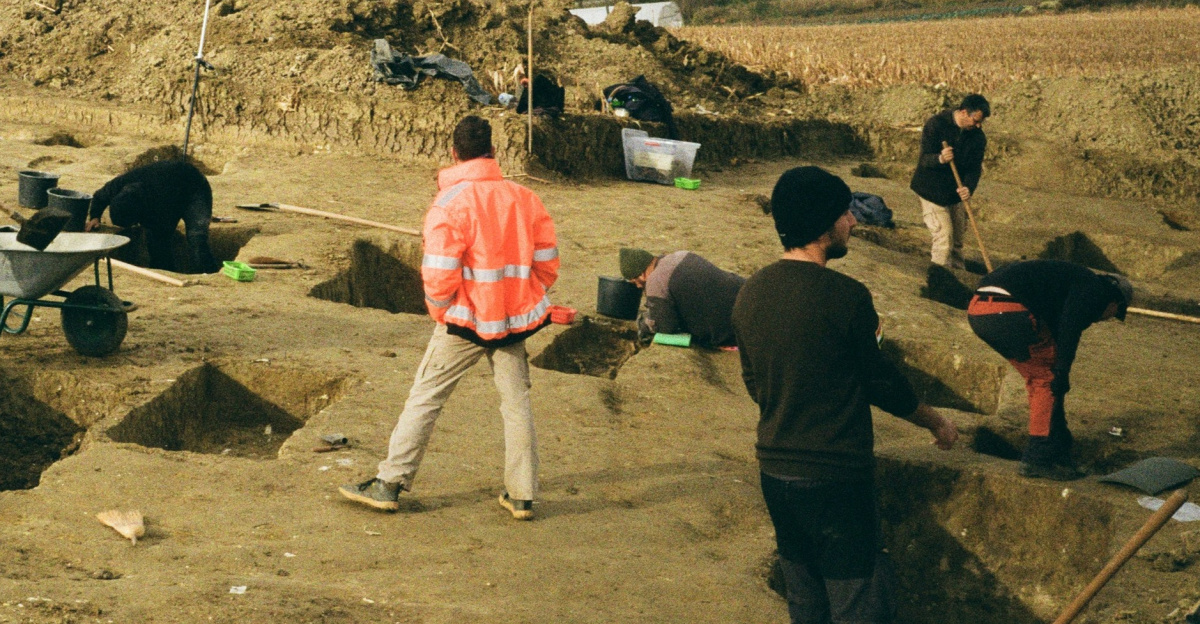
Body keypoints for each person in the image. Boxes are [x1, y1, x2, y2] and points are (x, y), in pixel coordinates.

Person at [732, 166, 958, 624]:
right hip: (835, 477)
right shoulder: (847, 296)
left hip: (775, 472)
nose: (853, 222)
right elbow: (880, 381)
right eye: (845, 213)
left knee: (806, 600)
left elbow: (755, 383)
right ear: (823, 224)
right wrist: (935, 421)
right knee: (858, 602)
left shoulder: (750, 292)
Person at [340, 116, 559, 520]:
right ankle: (523, 495)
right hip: (513, 321)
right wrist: (525, 299)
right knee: (517, 403)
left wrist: (444, 313)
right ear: (493, 151)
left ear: (454, 153)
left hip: (465, 321)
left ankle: (389, 483)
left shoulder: (449, 204)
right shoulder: (526, 199)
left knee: (426, 397)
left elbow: (439, 276)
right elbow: (547, 263)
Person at [967, 260, 1132, 481]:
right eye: (1114, 314)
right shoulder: (1094, 291)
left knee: (1041, 376)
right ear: (1115, 301)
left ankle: (1058, 448)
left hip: (979, 309)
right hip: (1008, 310)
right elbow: (1069, 329)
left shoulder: (1069, 282)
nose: (1107, 319)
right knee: (1047, 379)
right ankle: (1038, 457)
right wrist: (1062, 371)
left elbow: (1056, 331)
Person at [79, 160, 221, 273]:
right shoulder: (118, 186)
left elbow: (163, 228)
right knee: (156, 241)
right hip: (169, 185)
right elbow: (99, 197)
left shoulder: (160, 202)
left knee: (196, 238)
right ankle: (165, 273)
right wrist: (95, 216)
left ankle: (210, 274)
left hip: (195, 188)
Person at [910, 94, 990, 269]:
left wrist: (968, 187)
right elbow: (924, 159)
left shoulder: (977, 137)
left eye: (980, 122)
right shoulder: (936, 125)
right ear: (963, 112)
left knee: (958, 240)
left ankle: (959, 275)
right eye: (975, 120)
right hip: (931, 190)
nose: (978, 125)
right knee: (944, 237)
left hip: (954, 193)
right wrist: (940, 158)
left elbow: (974, 168)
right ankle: (939, 279)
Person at [619, 248, 745, 348]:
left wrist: (643, 322)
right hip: (746, 292)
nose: (637, 286)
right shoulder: (681, 255)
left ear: (641, 273)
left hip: (734, 329)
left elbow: (664, 327)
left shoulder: (655, 280)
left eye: (635, 281)